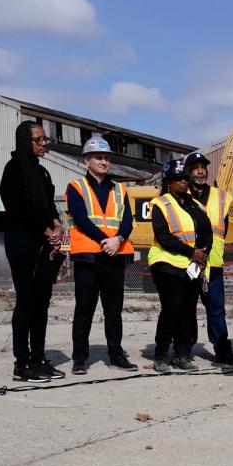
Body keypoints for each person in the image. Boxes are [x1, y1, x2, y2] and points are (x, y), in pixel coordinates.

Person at [63, 136, 137, 374]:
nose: (104, 162)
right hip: (89, 257)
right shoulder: (76, 187)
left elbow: (127, 220)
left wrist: (118, 240)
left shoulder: (120, 189)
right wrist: (105, 240)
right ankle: (80, 358)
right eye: (99, 157)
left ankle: (116, 355)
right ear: (87, 161)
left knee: (114, 312)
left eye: (106, 158)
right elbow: (81, 219)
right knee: (84, 311)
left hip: (114, 256)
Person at [0, 120, 63, 381]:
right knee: (26, 300)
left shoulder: (42, 172)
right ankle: (21, 363)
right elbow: (18, 207)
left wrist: (57, 225)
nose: (44, 144)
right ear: (25, 141)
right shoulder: (14, 169)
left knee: (42, 303)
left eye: (45, 139)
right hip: (23, 242)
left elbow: (48, 203)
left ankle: (38, 358)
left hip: (44, 243)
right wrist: (45, 230)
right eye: (39, 140)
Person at [147, 159, 213, 372]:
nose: (183, 182)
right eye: (177, 179)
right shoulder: (160, 204)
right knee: (171, 309)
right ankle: (160, 355)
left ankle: (182, 355)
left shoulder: (197, 205)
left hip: (192, 265)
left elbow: (207, 234)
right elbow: (163, 236)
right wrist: (190, 252)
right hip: (167, 263)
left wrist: (202, 255)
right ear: (168, 182)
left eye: (185, 178)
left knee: (188, 311)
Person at [185, 151, 233, 366]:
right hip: (188, 262)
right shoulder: (181, 195)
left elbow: (224, 229)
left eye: (203, 166)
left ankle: (222, 350)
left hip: (213, 263)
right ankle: (186, 348)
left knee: (216, 309)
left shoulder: (222, 197)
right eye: (195, 167)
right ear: (188, 171)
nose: (200, 170)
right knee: (187, 308)